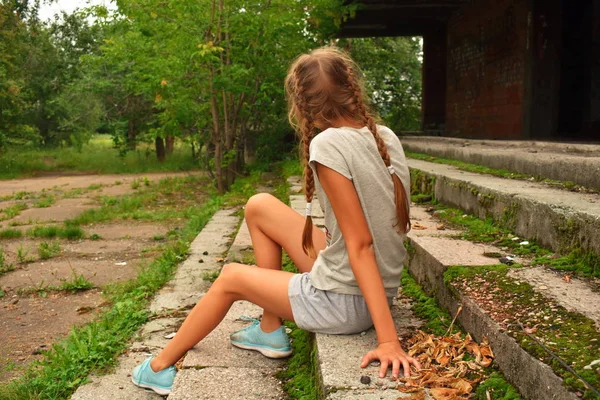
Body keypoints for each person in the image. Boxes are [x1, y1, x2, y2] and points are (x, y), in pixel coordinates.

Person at [131, 46, 421, 395]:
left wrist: (388, 339)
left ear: (301, 106)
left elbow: (361, 244)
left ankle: (159, 367)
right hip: (365, 284)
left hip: (346, 301)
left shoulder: (328, 143)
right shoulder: (384, 135)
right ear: (351, 90)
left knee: (230, 277)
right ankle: (269, 327)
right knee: (259, 205)